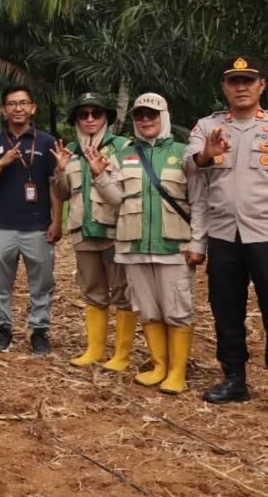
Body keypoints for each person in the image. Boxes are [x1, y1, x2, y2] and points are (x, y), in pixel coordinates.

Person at [93, 93, 195, 394]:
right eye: (139, 116)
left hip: (173, 247)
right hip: (133, 247)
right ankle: (159, 365)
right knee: (148, 310)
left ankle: (177, 372)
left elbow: (200, 202)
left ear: (164, 116)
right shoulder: (125, 155)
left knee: (177, 309)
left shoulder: (185, 152)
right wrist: (100, 176)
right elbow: (116, 203)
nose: (145, 120)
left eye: (151, 115)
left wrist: (199, 242)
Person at [188, 56, 268, 404]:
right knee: (226, 308)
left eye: (247, 81)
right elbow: (191, 166)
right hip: (223, 236)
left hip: (265, 235)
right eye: (234, 81)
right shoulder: (209, 126)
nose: (241, 87)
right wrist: (207, 154)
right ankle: (234, 378)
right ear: (224, 87)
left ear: (261, 85)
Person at [0, 86, 60, 355]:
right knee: (0, 282)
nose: (18, 108)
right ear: (4, 110)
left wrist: (56, 221)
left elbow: (55, 186)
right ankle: (3, 328)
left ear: (33, 108)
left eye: (23, 103)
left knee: (42, 282)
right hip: (2, 226)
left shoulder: (46, 142)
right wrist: (1, 163)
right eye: (12, 104)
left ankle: (39, 330)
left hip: (37, 225)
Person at [52, 92, 132, 369]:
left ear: (106, 118)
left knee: (122, 292)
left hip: (114, 232)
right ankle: (94, 350)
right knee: (93, 291)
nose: (89, 119)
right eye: (83, 114)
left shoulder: (122, 147)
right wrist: (60, 170)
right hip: (82, 231)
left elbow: (129, 193)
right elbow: (62, 194)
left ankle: (121, 354)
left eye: (95, 114)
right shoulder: (70, 150)